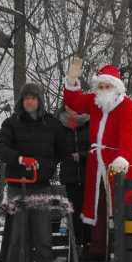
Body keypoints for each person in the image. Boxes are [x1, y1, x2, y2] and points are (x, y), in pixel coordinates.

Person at [0, 82, 66, 262]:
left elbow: (63, 149)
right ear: (21, 101)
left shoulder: (51, 124)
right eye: (26, 98)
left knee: (43, 235)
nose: (29, 102)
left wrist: (48, 167)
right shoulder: (12, 123)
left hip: (41, 186)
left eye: (33, 98)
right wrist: (19, 159)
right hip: (17, 187)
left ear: (39, 100)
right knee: (17, 236)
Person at [63, 58, 132, 260]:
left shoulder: (128, 107)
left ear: (116, 87)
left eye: (107, 86)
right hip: (97, 164)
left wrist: (123, 157)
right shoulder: (95, 102)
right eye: (101, 86)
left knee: (118, 205)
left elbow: (128, 138)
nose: (104, 89)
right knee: (97, 206)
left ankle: (120, 251)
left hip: (118, 163)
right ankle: (98, 250)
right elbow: (74, 102)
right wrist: (72, 80)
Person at [57, 105, 90, 245]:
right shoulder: (59, 125)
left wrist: (82, 155)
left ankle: (88, 246)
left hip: (88, 175)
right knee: (73, 214)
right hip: (69, 177)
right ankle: (75, 247)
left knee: (87, 213)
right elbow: (55, 149)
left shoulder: (89, 122)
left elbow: (96, 148)